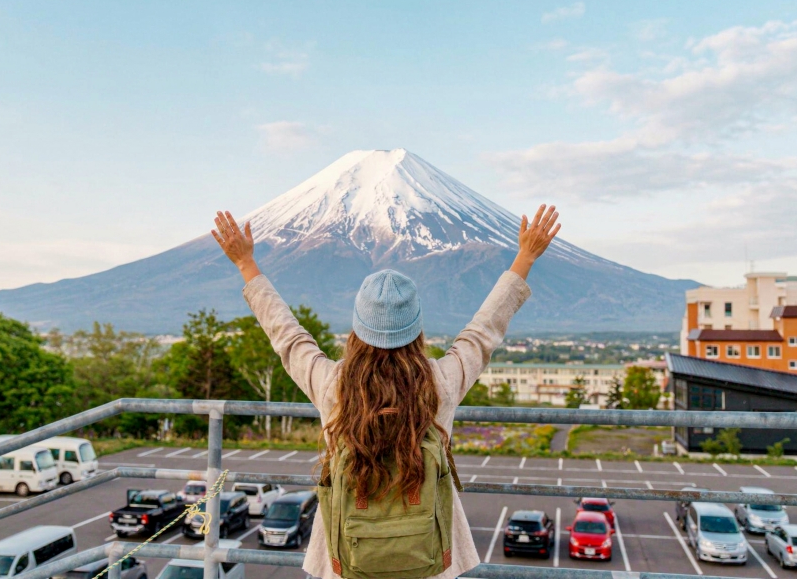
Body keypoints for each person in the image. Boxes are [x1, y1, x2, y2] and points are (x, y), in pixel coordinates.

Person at [211, 204, 560, 579]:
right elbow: (482, 333)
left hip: (347, 562)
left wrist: (247, 264)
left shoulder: (334, 385)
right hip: (428, 559)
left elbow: (289, 338)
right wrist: (525, 257)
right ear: (417, 330)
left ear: (358, 330)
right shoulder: (439, 382)